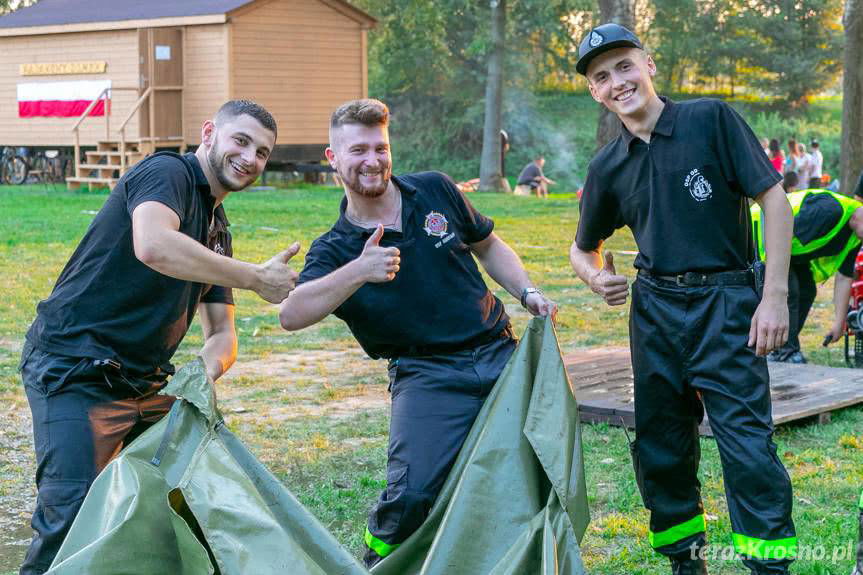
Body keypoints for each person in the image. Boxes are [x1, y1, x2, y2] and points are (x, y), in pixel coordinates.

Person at [18, 100, 300, 575]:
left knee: (192, 505)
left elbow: (223, 335)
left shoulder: (216, 231)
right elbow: (153, 244)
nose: (251, 158)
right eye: (242, 140)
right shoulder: (166, 173)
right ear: (209, 132)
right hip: (74, 370)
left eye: (263, 152)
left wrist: (203, 372)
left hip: (148, 386)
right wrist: (253, 276)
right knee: (71, 522)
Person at [278, 99, 557, 569]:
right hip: (426, 374)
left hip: (498, 353)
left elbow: (487, 244)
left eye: (380, 147)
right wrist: (359, 270)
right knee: (413, 493)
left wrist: (527, 291)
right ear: (332, 158)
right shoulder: (336, 248)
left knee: (535, 472)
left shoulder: (434, 190)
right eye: (358, 150)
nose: (372, 160)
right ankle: (375, 563)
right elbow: (291, 314)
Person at [570, 23, 796, 575]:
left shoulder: (709, 120)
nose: (618, 81)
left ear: (648, 63)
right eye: (603, 77)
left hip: (729, 303)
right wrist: (597, 278)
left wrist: (773, 298)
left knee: (746, 446)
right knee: (662, 446)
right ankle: (685, 561)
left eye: (624, 65)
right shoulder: (607, 166)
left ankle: (769, 566)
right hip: (654, 313)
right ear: (595, 93)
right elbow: (582, 251)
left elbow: (775, 202)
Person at [751, 189, 863, 364]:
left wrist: (840, 324)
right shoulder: (829, 210)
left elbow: (844, 278)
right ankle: (786, 352)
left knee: (806, 290)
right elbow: (780, 230)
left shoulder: (855, 236)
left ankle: (781, 346)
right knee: (790, 290)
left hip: (790, 252)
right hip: (760, 233)